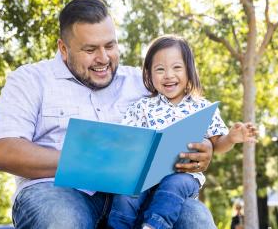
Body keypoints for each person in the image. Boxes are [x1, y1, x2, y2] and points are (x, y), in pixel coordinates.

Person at [0, 0, 219, 229]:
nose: (103, 58)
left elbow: (186, 115)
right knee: (62, 220)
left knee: (195, 219)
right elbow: (4, 152)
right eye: (90, 50)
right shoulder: (30, 80)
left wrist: (204, 147)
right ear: (63, 49)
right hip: (56, 192)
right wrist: (91, 161)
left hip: (138, 196)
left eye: (110, 46)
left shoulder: (144, 82)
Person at [107, 35, 257, 229]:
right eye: (160, 69)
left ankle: (154, 226)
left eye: (177, 68)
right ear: (149, 74)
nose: (168, 75)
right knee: (126, 194)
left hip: (184, 174)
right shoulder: (143, 106)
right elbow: (128, 138)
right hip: (145, 174)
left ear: (189, 70)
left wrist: (232, 138)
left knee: (174, 185)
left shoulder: (202, 107)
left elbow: (217, 144)